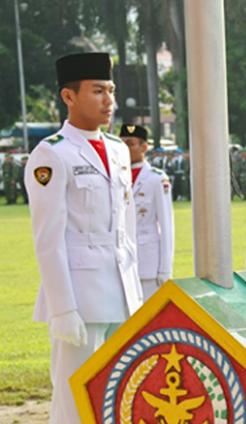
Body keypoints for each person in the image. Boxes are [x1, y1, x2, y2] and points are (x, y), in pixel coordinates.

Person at [24, 52, 143, 423]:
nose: (109, 101)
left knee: (119, 394)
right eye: (97, 91)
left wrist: (136, 294)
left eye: (110, 90)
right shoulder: (51, 154)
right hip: (80, 298)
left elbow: (127, 233)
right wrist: (62, 308)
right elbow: (48, 239)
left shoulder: (119, 150)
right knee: (74, 398)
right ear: (68, 96)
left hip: (122, 294)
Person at [120, 124, 174, 301]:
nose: (125, 148)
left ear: (144, 147)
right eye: (122, 143)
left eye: (130, 144)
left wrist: (165, 269)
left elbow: (167, 226)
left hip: (148, 263)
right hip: (122, 262)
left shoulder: (156, 178)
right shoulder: (116, 177)